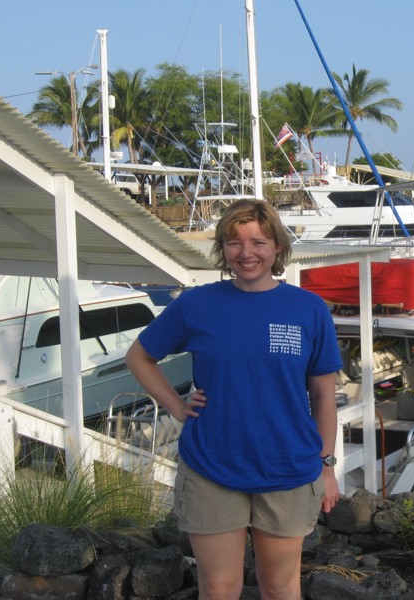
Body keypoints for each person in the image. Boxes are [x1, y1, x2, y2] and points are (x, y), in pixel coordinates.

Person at [126, 199, 342, 600]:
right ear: (222, 249)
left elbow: (323, 395)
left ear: (277, 247)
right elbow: (139, 356)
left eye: (258, 242)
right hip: (211, 466)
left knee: (279, 586)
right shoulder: (196, 304)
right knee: (219, 588)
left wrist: (327, 466)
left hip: (289, 468)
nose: (246, 253)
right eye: (234, 242)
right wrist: (176, 407)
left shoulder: (308, 309)